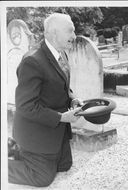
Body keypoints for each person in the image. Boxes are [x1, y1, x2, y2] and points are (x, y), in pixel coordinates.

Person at [8, 13, 83, 187]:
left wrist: (73, 99)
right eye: (70, 31)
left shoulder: (61, 54)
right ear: (53, 34)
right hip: (35, 132)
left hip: (57, 131)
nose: (74, 36)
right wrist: (62, 117)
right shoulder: (32, 61)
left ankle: (20, 153)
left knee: (64, 166)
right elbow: (25, 106)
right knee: (42, 179)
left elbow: (62, 86)